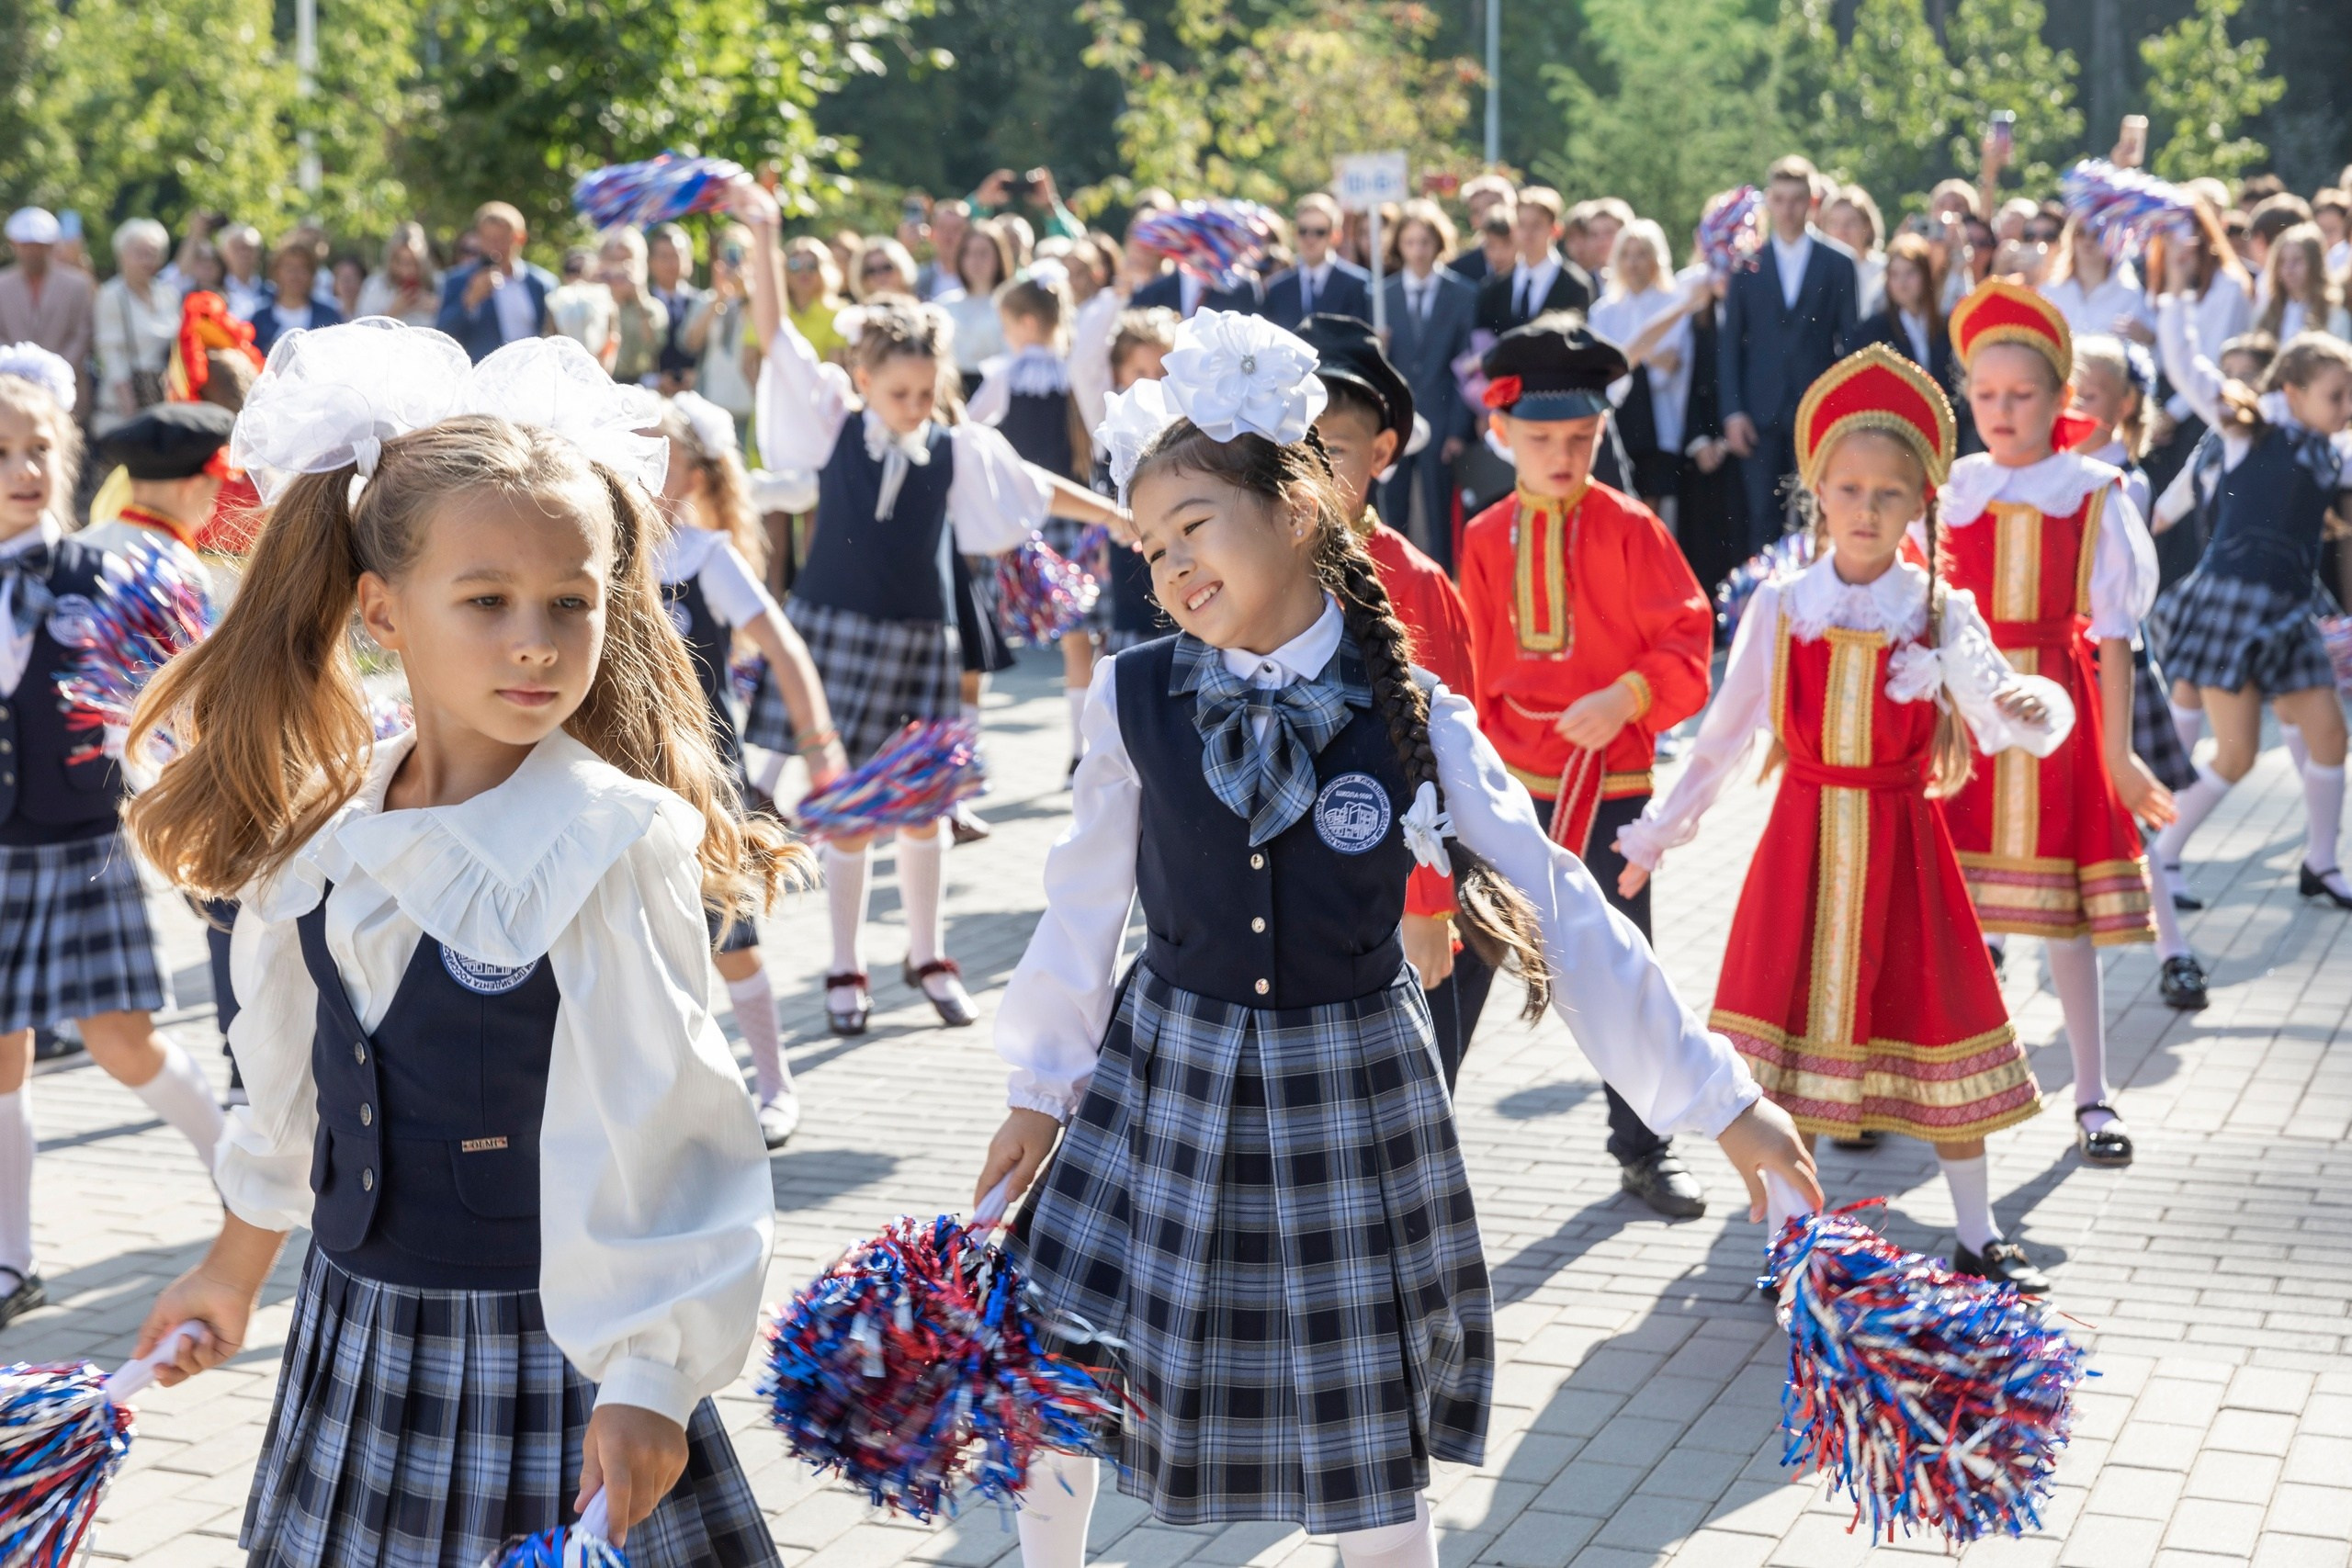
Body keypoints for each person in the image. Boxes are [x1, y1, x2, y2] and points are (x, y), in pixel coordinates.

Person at [979, 308, 1816, 1562]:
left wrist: (1722, 1101)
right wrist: (1039, 1087)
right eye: (1151, 547)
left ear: (1298, 508)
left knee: (1368, 1442)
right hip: (1165, 1081)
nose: (1171, 567)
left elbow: (1562, 908)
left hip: (1350, 1094)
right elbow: (1082, 906)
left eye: (1193, 525)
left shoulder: (1413, 708)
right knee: (1056, 1382)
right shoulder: (1132, 695)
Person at [120, 322, 789, 1564]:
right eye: (487, 601)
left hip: (552, 1359)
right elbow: (295, 1096)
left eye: (570, 603)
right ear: (382, 607)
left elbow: (676, 1132)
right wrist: (230, 1270)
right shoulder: (329, 828)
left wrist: (653, 1372)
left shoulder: (605, 838)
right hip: (356, 1333)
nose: (536, 639)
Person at [1619, 344, 2065, 1289]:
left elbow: (1999, 708)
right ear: (1816, 491)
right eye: (1849, 489)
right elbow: (1721, 738)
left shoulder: (1939, 610)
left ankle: (1977, 1231)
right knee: (1789, 1055)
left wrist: (2027, 704)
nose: (1866, 509)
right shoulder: (1784, 607)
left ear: (1921, 505)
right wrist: (1658, 833)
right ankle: (1794, 1241)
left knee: (1942, 1023)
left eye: (1889, 494)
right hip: (1805, 846)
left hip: (1905, 848)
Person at [731, 182, 1122, 1035]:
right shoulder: (833, 424)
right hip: (836, 635)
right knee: (849, 812)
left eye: (924, 392)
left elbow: (1033, 484)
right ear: (864, 380)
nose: (914, 407)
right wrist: (764, 232)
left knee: (924, 806)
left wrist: (1117, 515)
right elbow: (778, 334)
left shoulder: (956, 449)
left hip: (921, 641)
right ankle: (845, 964)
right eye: (899, 392)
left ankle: (928, 952)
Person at [1456, 315, 1717, 1217]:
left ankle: (1643, 1148)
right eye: (1541, 440)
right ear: (1501, 432)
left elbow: (1686, 638)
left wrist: (1628, 697)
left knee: (1620, 970)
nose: (1562, 455)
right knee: (1460, 963)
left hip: (1608, 783)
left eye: (1580, 438)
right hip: (1503, 787)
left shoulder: (1632, 528)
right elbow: (1468, 664)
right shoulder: (1483, 536)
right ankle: (1406, 1142)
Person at [0, 344, 227, 1331]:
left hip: (81, 838)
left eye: (39, 448)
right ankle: (12, 1260)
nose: (24, 469)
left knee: (123, 1042)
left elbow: (176, 710)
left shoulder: (109, 572)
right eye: (1, 452)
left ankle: (250, 1189)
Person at [1939, 279, 2166, 1171]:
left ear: (2062, 396)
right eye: (1985, 394)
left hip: (2056, 717)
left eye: (2022, 394)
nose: (2001, 410)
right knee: (1945, 906)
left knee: (2064, 918)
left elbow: (2113, 636)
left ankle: (2091, 1090)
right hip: (1964, 717)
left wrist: (2119, 755)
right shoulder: (1956, 486)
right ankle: (1930, 1083)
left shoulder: (2094, 488)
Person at [1296, 312, 1488, 1089]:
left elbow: (1446, 754)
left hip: (1391, 882)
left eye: (1333, 449)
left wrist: (1429, 901)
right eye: (1293, 445)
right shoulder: (1254, 566)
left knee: (1405, 1092)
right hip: (1298, 884)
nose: (1309, 468)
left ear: (1381, 452)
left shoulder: (1415, 581)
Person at [652, 392, 845, 1145]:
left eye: (659, 453)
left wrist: (820, 749)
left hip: (702, 778)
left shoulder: (706, 556)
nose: (639, 464)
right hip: (625, 776)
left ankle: (775, 1082)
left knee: (730, 937)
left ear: (695, 476)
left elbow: (786, 650)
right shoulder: (600, 554)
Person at [2149, 300, 2352, 914]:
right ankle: (2161, 854)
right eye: (2337, 396)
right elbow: (2188, 368)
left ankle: (2322, 862)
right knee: (2235, 755)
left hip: (2291, 611)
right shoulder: (2247, 431)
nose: (2347, 407)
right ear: (2292, 392)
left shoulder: (2333, 451)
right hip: (2231, 606)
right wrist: (2177, 295)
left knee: (2331, 737)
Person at [2064, 334, 2211, 1010]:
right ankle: (1994, 944)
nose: (2072, 406)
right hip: (2049, 666)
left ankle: (2172, 949)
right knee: (2026, 810)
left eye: (2088, 395)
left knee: (2127, 821)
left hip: (2105, 662)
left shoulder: (2123, 481)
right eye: (2066, 392)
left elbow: (2112, 605)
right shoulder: (2044, 473)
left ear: (2125, 405)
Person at [969, 266, 1099, 774]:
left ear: (1025, 323)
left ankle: (974, 751)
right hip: (1077, 518)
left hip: (1022, 522)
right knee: (1081, 640)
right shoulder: (1075, 373)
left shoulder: (1005, 375)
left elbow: (970, 431)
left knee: (999, 635)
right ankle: (1081, 750)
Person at [1718, 155, 1861, 548]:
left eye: (1797, 199)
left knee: (1821, 515)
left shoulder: (1839, 263)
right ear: (1769, 202)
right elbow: (1730, 346)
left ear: (1812, 202)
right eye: (1779, 199)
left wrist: (1843, 412)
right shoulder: (1746, 265)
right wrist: (1733, 412)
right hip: (1759, 412)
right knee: (1761, 518)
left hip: (1818, 411)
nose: (1788, 209)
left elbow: (1850, 344)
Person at [1379, 200, 1477, 564]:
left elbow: (1467, 368)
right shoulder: (1381, 296)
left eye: (1425, 242)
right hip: (1397, 421)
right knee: (1393, 511)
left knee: (1440, 516)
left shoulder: (1463, 294)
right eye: (1410, 242)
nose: (1418, 251)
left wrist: (1457, 430)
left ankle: (1443, 583)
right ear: (1398, 245)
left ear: (1438, 243)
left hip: (1441, 417)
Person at [1589, 219, 1696, 517]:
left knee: (1651, 506)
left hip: (1660, 422)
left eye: (1641, 254)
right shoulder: (1603, 311)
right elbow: (1603, 368)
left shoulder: (1674, 302)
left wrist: (1635, 357)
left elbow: (1669, 367)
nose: (1633, 263)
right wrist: (1648, 355)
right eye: (1626, 255)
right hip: (1617, 419)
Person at [82, 400, 236, 561]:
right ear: (192, 488)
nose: (213, 507)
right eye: (213, 492)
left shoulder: (82, 545)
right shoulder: (180, 566)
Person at [435, 201, 557, 363]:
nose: (494, 248)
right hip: (483, 373)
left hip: (531, 371)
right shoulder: (458, 281)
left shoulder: (542, 283)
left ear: (519, 238)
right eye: (487, 239)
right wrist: (469, 300)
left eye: (501, 239)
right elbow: (442, 333)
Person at [93, 218, 182, 437]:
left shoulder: (168, 294)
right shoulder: (111, 295)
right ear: (122, 255)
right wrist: (131, 410)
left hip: (164, 399)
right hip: (123, 406)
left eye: (153, 253)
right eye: (140, 253)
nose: (147, 260)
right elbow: (111, 353)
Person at [0, 210, 96, 414]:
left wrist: (54, 374)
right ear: (14, 244)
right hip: (10, 396)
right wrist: (16, 373)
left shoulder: (78, 284)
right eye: (26, 245)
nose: (32, 252)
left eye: (39, 246)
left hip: (67, 396)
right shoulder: (2, 284)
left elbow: (82, 335)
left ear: (51, 246)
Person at [684, 224, 762, 451]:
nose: (732, 261)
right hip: (713, 402)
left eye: (738, 253)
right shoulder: (706, 300)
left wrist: (746, 290)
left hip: (749, 404)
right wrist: (719, 298)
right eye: (726, 253)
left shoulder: (759, 301)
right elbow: (691, 343)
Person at [1476, 186, 1592, 334]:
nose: (1528, 234)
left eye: (1536, 225)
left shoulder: (1576, 286)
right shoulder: (1494, 288)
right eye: (1521, 224)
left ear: (1555, 230)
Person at [1263, 193, 1372, 331]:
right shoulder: (1277, 289)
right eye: (1303, 231)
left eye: (1319, 232)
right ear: (1295, 234)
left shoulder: (1357, 285)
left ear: (1335, 236)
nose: (1310, 239)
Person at [2038, 218, 2154, 345]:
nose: (2088, 241)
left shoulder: (2129, 294)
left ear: (2114, 242)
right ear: (2071, 238)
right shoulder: (2049, 293)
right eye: (2081, 233)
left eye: (2098, 234)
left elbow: (2150, 349)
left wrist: (2147, 338)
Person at [938, 219, 1014, 389]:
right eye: (968, 253)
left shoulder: (1013, 306)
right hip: (953, 389)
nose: (975, 260)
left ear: (999, 257)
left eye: (983, 253)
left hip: (996, 389)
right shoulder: (945, 305)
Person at [2254, 222, 2350, 344]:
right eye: (2283, 261)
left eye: (2297, 260)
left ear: (2315, 264)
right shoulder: (2268, 313)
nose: (2289, 269)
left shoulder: (2334, 315)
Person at [250, 232, 344, 355]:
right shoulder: (260, 318)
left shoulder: (329, 316)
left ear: (312, 274)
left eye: (302, 268)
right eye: (289, 268)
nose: (295, 275)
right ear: (276, 272)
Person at [601, 227, 672, 387]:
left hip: (640, 385)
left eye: (627, 260)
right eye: (615, 260)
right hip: (603, 383)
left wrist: (638, 295)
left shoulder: (654, 307)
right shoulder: (596, 303)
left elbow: (653, 347)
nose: (620, 267)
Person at [648, 223, 706, 393]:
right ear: (650, 262)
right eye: (664, 256)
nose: (671, 263)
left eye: (677, 255)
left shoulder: (704, 302)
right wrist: (657, 379)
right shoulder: (642, 303)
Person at [354, 220, 443, 328]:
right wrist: (391, 313)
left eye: (413, 262)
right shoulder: (375, 285)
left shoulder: (438, 283)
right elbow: (359, 328)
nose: (406, 270)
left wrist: (440, 308)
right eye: (399, 261)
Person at [547, 246, 619, 365]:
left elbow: (610, 348)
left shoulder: (606, 303)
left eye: (589, 272)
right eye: (573, 270)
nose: (579, 278)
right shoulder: (557, 301)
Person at [1822, 184, 1886, 316]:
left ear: (1868, 227)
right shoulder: (1819, 272)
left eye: (1851, 222)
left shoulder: (1885, 271)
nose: (1841, 231)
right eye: (1834, 223)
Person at [783, 237, 848, 363]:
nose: (803, 272)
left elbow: (834, 365)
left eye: (812, 265)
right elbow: (749, 361)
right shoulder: (774, 312)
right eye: (794, 265)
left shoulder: (839, 314)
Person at [1446, 174, 1516, 283]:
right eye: (1475, 211)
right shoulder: (1459, 271)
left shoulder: (1534, 262)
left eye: (1493, 206)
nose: (1486, 214)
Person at [918, 199, 971, 300]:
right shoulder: (916, 280)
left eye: (956, 228)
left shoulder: (982, 280)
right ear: (931, 233)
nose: (948, 235)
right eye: (942, 227)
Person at [216, 223, 269, 321]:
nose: (244, 254)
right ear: (223, 253)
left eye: (249, 248)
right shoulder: (213, 293)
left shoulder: (273, 294)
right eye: (237, 248)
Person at [847, 235, 921, 302]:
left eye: (887, 267)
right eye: (870, 271)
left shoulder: (923, 308)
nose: (879, 275)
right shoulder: (853, 311)